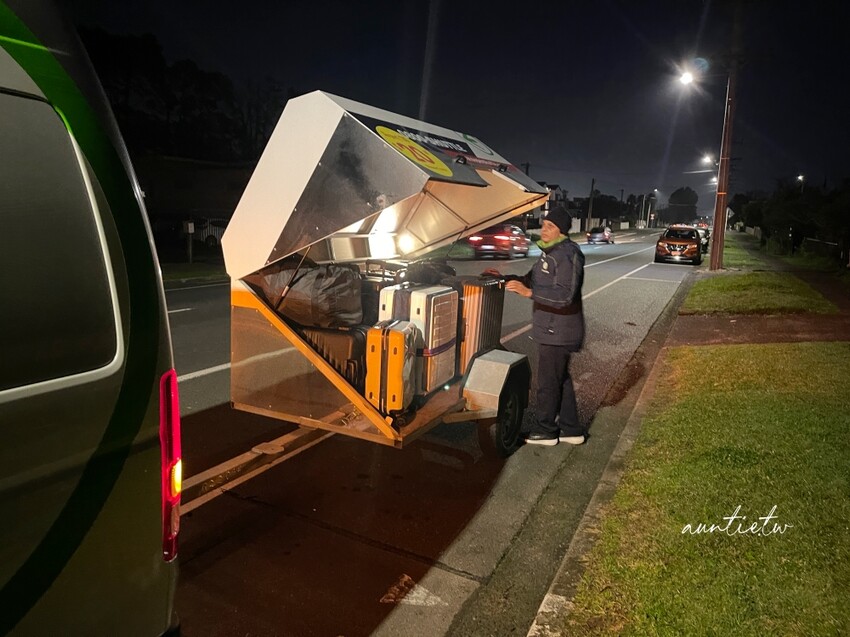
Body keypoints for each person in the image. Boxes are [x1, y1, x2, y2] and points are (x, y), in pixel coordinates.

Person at [485, 205, 586, 446]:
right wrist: (504, 277)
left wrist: (530, 292)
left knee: (547, 383)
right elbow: (530, 279)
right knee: (560, 379)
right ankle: (571, 430)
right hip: (552, 329)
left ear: (561, 230)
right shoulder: (548, 252)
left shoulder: (568, 254)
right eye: (544, 225)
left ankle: (546, 431)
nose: (544, 229)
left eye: (550, 226)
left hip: (559, 331)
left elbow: (565, 295)